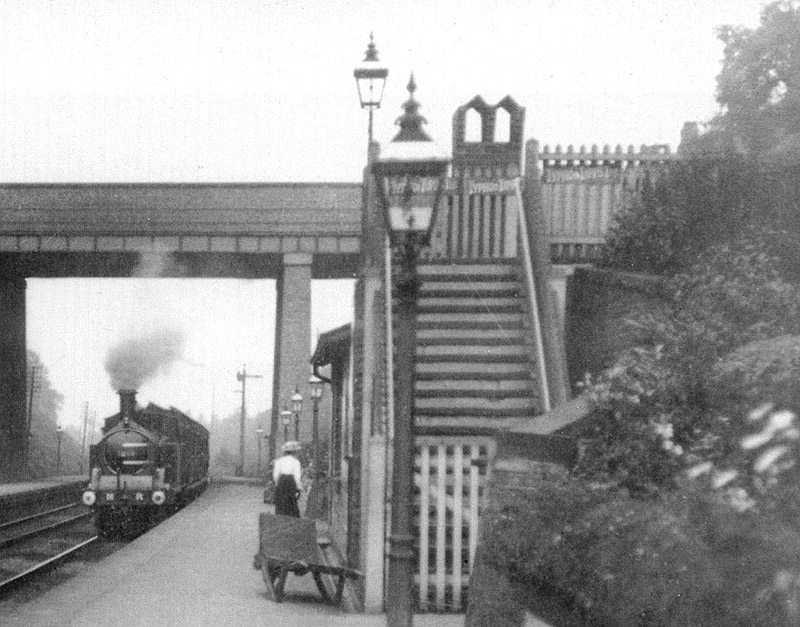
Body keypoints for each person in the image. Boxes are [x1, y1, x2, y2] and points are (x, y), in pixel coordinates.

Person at [273, 441, 303, 517]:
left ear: (285, 452)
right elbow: (297, 477)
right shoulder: (296, 462)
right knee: (291, 503)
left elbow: (276, 475)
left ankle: (280, 518)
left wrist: (277, 485)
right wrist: (298, 488)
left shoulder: (279, 461)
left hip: (281, 481)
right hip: (291, 482)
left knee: (280, 502)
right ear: (294, 452)